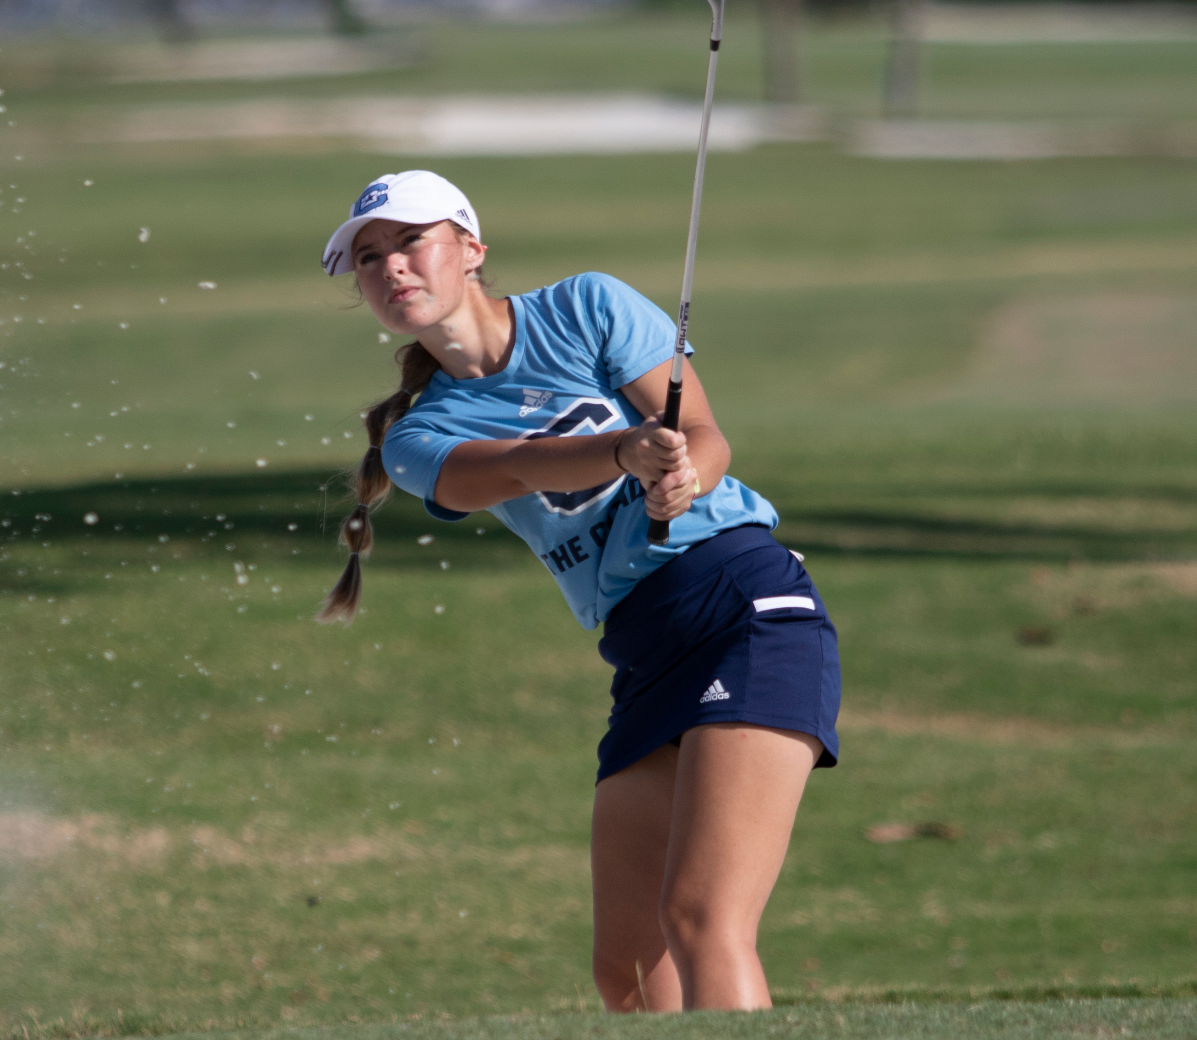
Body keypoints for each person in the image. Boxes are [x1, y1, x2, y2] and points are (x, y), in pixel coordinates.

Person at [316, 170, 841, 1013]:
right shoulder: (418, 437)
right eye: (369, 258)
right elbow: (520, 465)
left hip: (739, 605)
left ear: (472, 249)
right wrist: (627, 452)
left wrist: (683, 479)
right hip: (643, 650)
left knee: (704, 919)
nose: (391, 268)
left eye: (411, 243)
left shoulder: (588, 306)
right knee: (629, 971)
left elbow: (703, 435)